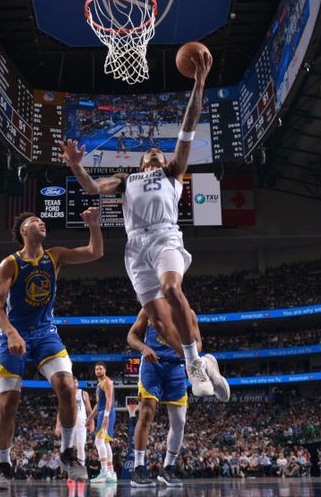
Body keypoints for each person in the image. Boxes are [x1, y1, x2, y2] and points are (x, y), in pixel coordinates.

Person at [61, 49, 228, 401]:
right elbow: (93, 188)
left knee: (171, 289)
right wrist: (77, 166)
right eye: (149, 151)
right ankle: (201, 360)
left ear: (166, 160)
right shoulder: (126, 180)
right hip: (135, 248)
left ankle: (193, 365)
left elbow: (188, 127)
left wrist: (199, 83)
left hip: (165, 236)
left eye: (159, 150)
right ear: (139, 161)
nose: (154, 150)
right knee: (163, 326)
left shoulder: (172, 172)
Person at [0, 208, 103, 490]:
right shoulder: (10, 264)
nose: (41, 222)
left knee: (67, 385)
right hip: (13, 334)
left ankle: (67, 452)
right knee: (8, 404)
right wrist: (11, 332)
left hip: (45, 333)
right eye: (33, 221)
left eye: (42, 221)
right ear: (23, 232)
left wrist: (94, 226)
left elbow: (94, 252)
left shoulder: (55, 255)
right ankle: (3, 464)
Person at [128, 305, 212, 488]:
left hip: (176, 367)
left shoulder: (188, 313)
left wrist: (187, 350)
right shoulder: (149, 309)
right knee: (146, 414)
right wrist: (143, 348)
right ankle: (138, 468)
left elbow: (198, 343)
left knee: (179, 420)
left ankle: (168, 469)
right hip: (152, 365)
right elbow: (131, 336)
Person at [55, 377, 94, 470]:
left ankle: (81, 468)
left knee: (81, 445)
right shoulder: (64, 394)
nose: (74, 384)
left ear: (78, 383)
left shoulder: (84, 393)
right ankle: (68, 469)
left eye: (75, 382)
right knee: (68, 448)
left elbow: (89, 410)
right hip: (68, 424)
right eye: (71, 382)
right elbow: (60, 411)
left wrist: (92, 422)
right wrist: (57, 426)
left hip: (81, 423)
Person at [87, 362, 116, 483]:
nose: (98, 371)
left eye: (100, 369)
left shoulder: (107, 382)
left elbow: (109, 400)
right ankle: (111, 473)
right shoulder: (99, 384)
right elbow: (98, 405)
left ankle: (104, 471)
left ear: (105, 370)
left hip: (106, 413)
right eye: (96, 369)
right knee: (105, 442)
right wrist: (89, 418)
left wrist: (106, 416)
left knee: (98, 441)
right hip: (102, 412)